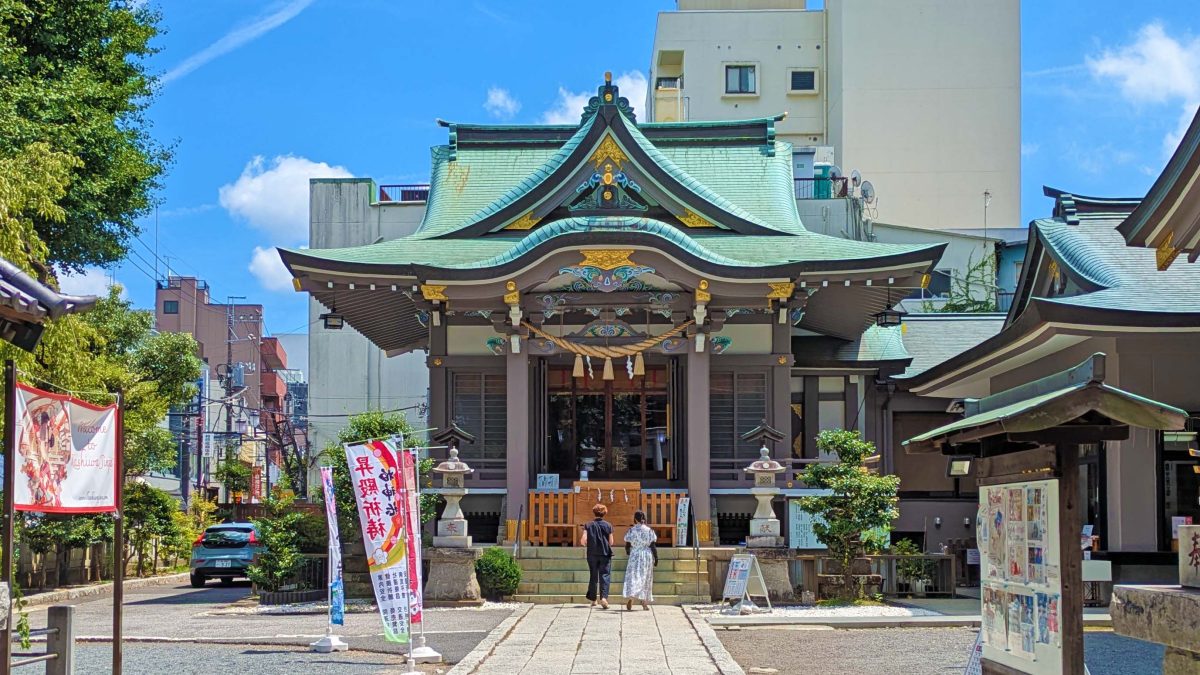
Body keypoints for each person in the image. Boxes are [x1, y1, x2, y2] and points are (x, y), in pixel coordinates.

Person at [579, 503, 613, 608]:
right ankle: (603, 598)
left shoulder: (588, 525)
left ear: (594, 512)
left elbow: (583, 540)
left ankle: (593, 600)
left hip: (592, 553)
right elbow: (611, 542)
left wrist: (587, 544)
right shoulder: (608, 525)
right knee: (605, 575)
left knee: (593, 575)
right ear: (604, 513)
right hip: (605, 553)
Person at [623, 510, 658, 610]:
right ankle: (644, 602)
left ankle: (631, 597)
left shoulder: (631, 530)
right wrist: (656, 557)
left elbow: (627, 544)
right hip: (646, 555)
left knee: (634, 576)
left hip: (635, 554)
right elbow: (653, 545)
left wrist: (628, 552)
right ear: (644, 518)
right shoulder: (649, 530)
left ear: (635, 519)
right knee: (645, 577)